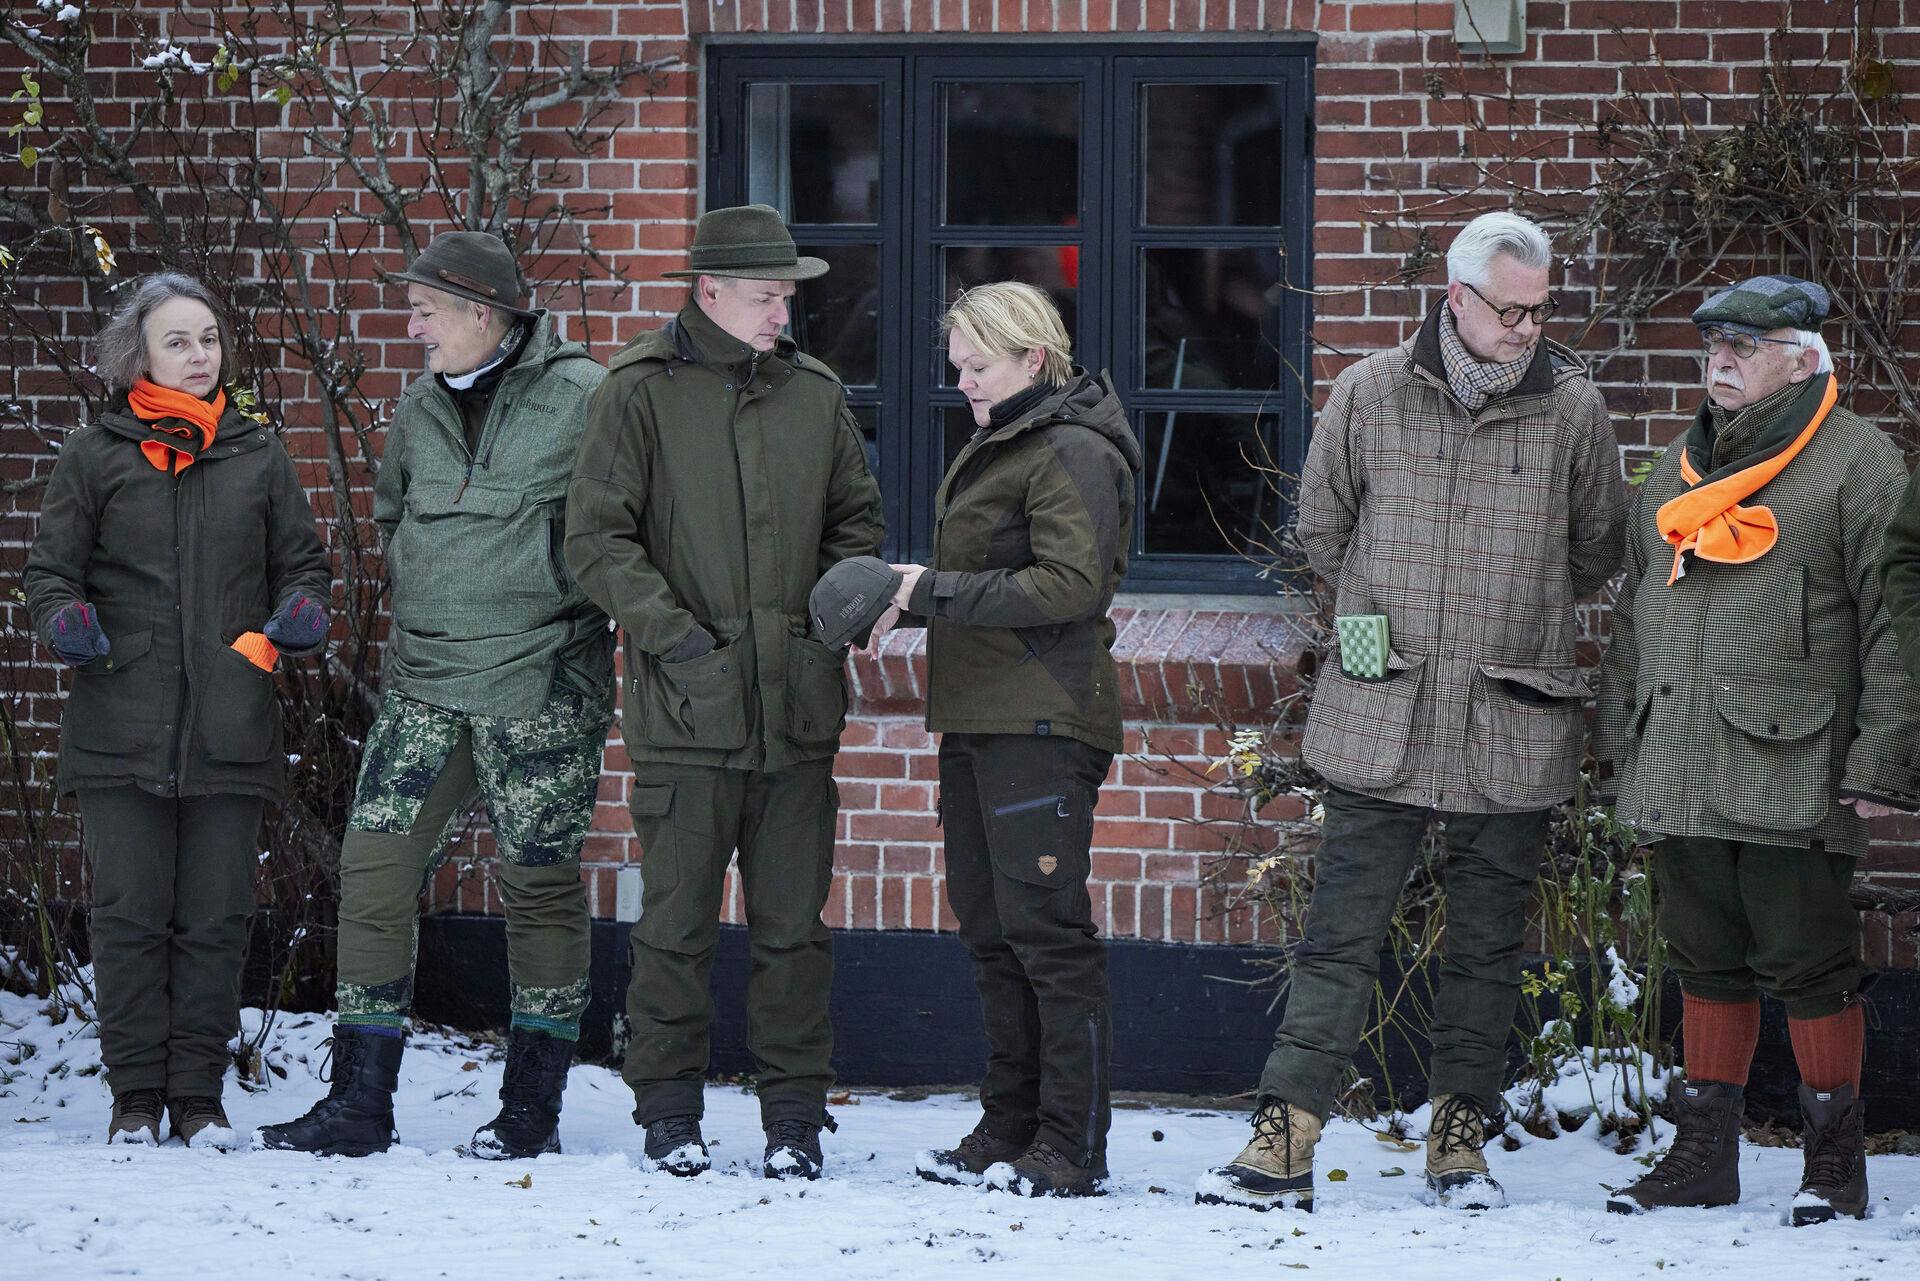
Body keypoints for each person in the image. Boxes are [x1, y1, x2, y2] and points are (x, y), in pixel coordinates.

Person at [1197, 211, 1627, 1213]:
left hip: (1512, 711)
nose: (1529, 327)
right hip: (1378, 708)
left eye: (1540, 309)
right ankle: (1284, 1135)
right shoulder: (1369, 393)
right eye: (1512, 310)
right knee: (1340, 936)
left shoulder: (1574, 409)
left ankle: (1459, 1139)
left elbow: (1598, 548)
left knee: (1485, 944)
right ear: (1457, 300)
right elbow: (1321, 526)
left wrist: (1508, 610)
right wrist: (1374, 621)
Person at [258, 231, 614, 1159]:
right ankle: (358, 1106)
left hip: (540, 682)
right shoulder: (417, 408)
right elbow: (392, 517)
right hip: (426, 682)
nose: (412, 327)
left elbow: (621, 531)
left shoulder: (584, 398)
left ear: (483, 315)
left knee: (537, 890)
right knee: (373, 871)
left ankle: (529, 1113)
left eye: (425, 310)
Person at [565, 204, 883, 1180]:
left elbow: (855, 523)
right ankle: (669, 1112)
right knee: (674, 929)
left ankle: (794, 1120)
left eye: (787, 295)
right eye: (763, 295)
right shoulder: (637, 393)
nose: (780, 311)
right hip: (684, 717)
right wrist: (682, 645)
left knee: (795, 934)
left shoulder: (812, 394)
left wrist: (829, 620)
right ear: (707, 290)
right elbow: (595, 542)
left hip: (796, 714)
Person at [1600, 276, 1919, 1224]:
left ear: (1803, 357)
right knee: (1705, 958)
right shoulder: (1674, 471)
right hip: (1684, 758)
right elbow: (1632, 617)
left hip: (1798, 765)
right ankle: (1704, 1156)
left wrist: (1885, 760)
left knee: (1810, 960)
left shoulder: (1860, 466)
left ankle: (1834, 1164)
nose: (1720, 361)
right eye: (1713, 346)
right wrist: (1629, 745)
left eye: (1743, 345)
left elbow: (1898, 630)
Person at [25, 272, 331, 1147]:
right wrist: (68, 621)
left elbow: (303, 566)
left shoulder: (257, 456)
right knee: (127, 919)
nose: (200, 356)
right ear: (139, 356)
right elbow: (49, 573)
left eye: (209, 338)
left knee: (214, 920)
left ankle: (198, 1095)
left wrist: (293, 619)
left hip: (232, 725)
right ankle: (134, 1098)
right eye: (178, 342)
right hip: (119, 720)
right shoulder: (96, 455)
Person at [871, 282, 1139, 1198]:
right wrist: (902, 604)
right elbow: (993, 577)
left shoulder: (1071, 447)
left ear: (1033, 358)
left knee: (1047, 937)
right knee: (992, 932)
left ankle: (1072, 1143)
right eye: (957, 368)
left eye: (977, 366)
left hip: (1042, 724)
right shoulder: (1008, 440)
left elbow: (1069, 586)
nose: (963, 384)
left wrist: (926, 592)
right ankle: (1011, 1121)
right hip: (983, 718)